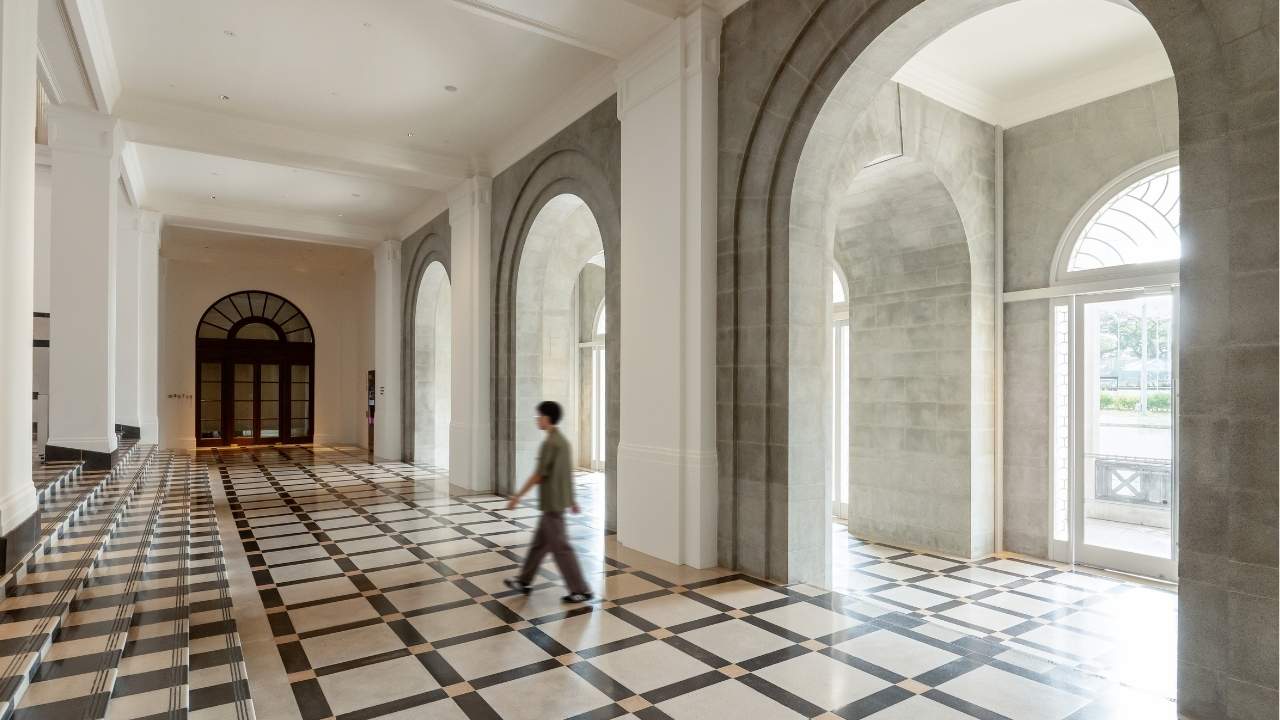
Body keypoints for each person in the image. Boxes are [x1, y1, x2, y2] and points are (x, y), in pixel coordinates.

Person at [503, 401, 594, 603]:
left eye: (539, 416)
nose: (537, 420)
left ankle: (580, 589)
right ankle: (523, 580)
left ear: (547, 418)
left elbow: (539, 475)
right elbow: (566, 474)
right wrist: (571, 500)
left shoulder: (550, 444)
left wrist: (517, 496)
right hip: (556, 504)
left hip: (552, 505)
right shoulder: (563, 442)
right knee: (538, 545)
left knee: (561, 549)